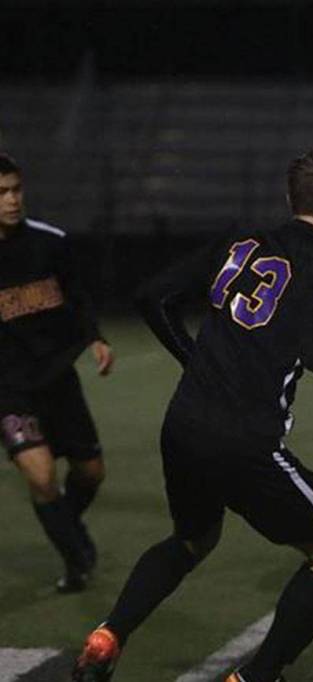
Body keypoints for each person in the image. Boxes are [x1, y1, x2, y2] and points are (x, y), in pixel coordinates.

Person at [71, 149, 313, 682]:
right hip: (245, 442)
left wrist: (194, 358)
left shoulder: (241, 241)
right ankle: (256, 676)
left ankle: (108, 636)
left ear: (290, 199)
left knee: (191, 539)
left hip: (183, 425)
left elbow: (152, 297)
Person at [0, 152, 113, 593]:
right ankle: (76, 557)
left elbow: (78, 295)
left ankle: (65, 525)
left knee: (91, 473)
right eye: (1, 193)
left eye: (16, 190)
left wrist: (96, 338)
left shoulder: (51, 242)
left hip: (58, 380)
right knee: (42, 476)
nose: (12, 200)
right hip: (9, 390)